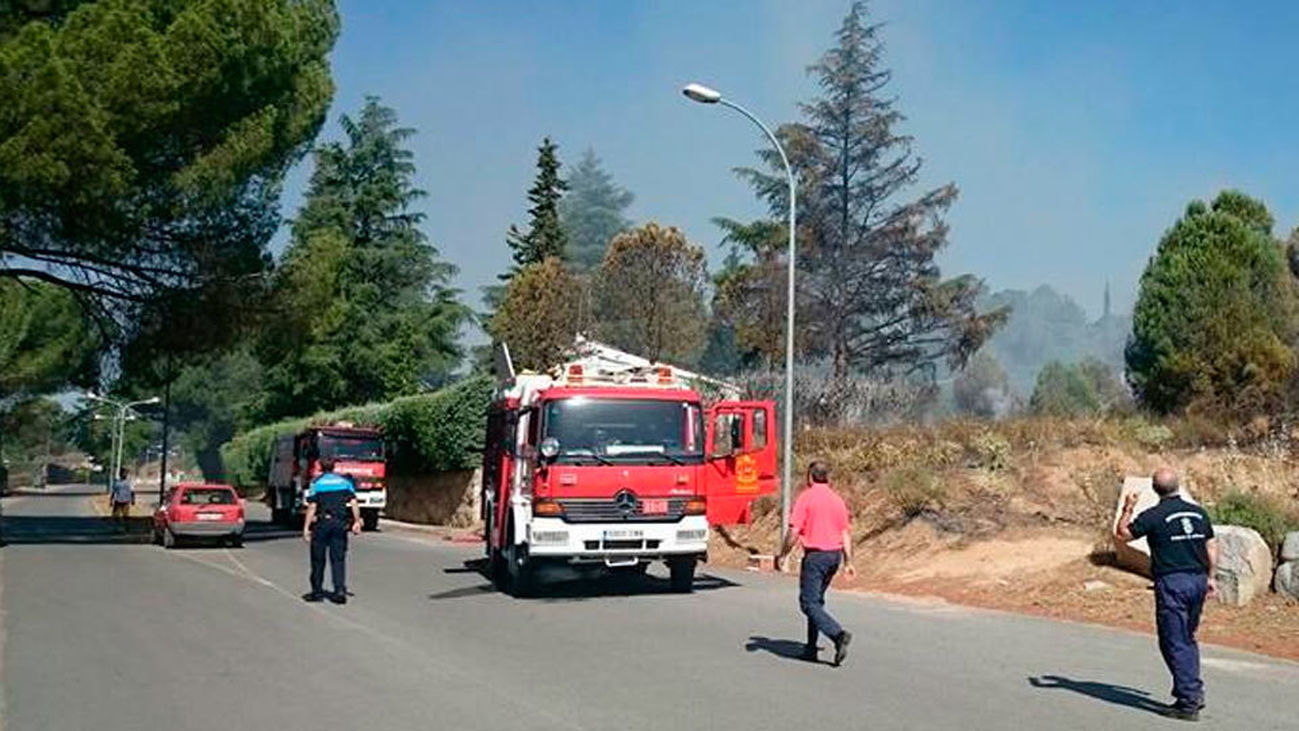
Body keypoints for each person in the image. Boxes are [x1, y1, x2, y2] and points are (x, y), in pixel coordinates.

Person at [1114, 468, 1219, 722]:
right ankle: (1192, 688)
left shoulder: (1154, 515)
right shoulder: (1198, 512)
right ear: (1178, 486)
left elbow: (1122, 533)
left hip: (1173, 583)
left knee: (1174, 640)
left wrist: (1128, 507)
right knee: (1187, 637)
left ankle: (1188, 700)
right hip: (1197, 581)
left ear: (1155, 488)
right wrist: (1211, 577)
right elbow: (1211, 545)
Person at [776, 461, 856, 666]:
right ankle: (810, 648)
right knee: (816, 601)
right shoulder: (837, 500)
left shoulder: (806, 498)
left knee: (808, 603)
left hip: (816, 557)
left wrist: (783, 554)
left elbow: (794, 531)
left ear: (810, 477)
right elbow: (845, 533)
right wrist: (848, 562)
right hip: (834, 556)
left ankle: (838, 635)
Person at [302, 458, 362, 604]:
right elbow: (354, 502)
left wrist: (306, 527)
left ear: (321, 467)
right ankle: (339, 591)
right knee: (338, 559)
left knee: (318, 559)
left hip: (322, 523)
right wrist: (357, 521)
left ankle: (317, 592)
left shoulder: (316, 483)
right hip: (339, 523)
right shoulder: (345, 482)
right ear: (334, 467)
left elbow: (312, 507)